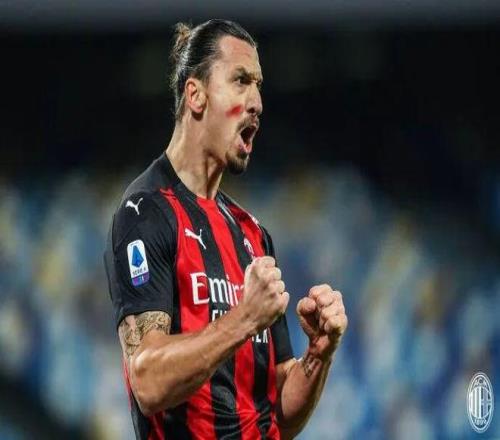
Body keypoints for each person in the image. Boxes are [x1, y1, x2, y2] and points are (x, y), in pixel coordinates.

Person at [103, 19, 348, 440]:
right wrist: (244, 319)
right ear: (195, 95)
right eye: (240, 81)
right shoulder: (146, 213)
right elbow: (148, 382)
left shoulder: (252, 234)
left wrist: (318, 356)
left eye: (258, 85)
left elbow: (281, 414)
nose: (258, 103)